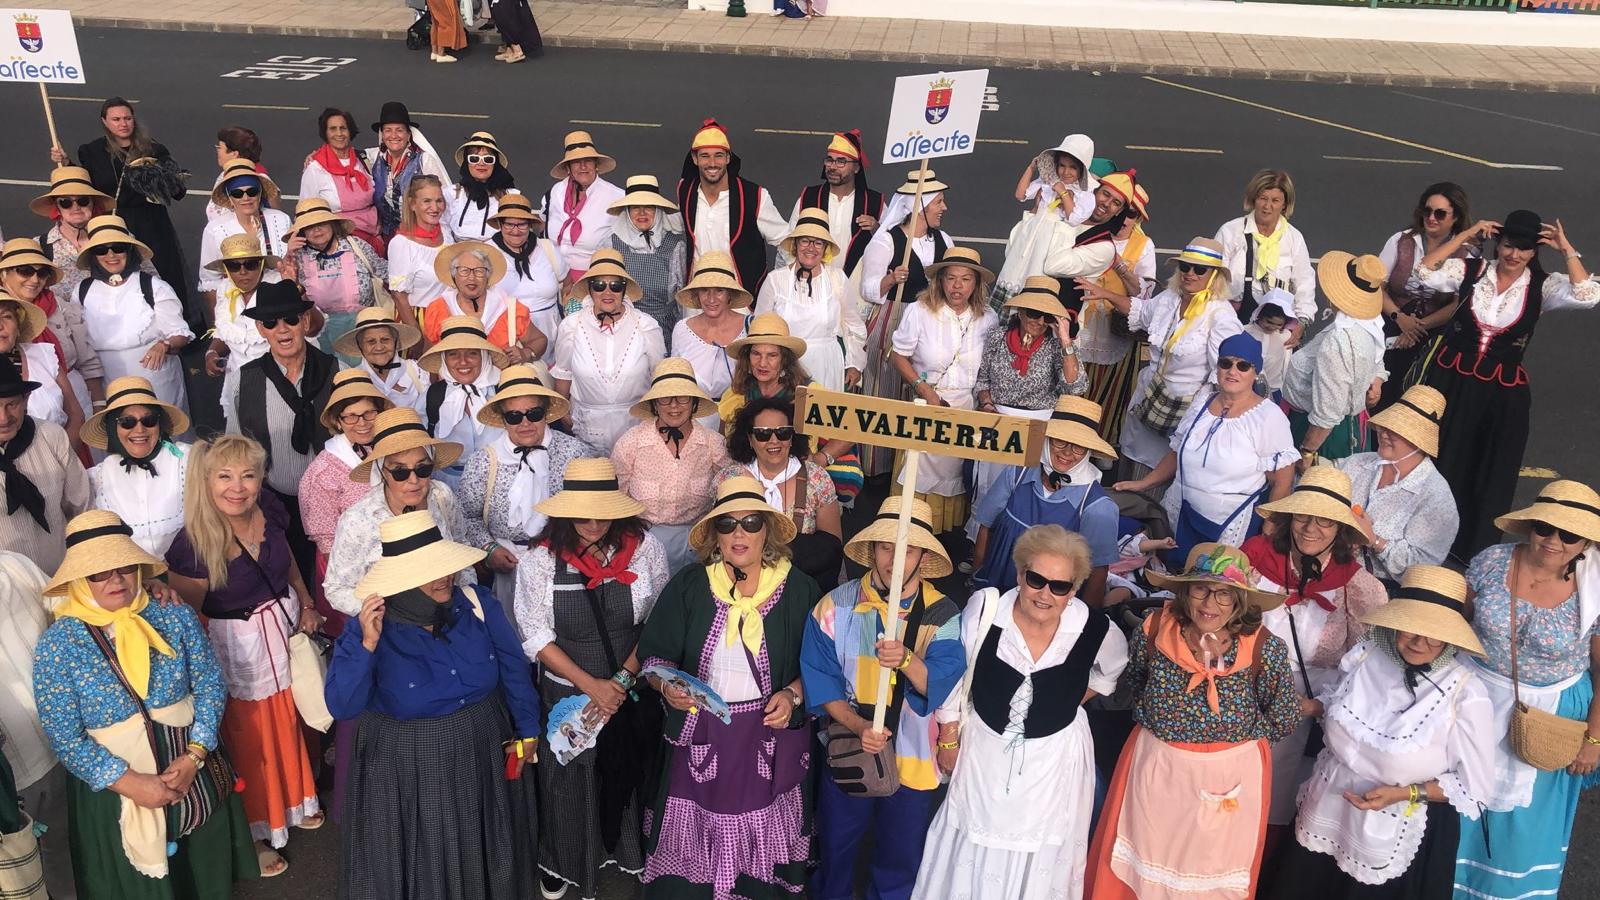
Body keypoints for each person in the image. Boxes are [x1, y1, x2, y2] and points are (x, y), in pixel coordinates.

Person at [31, 510, 258, 897]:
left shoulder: (172, 613)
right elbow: (65, 738)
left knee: (204, 878)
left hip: (191, 774)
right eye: (99, 572)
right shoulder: (58, 645)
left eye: (124, 566)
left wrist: (194, 756)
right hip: (117, 795)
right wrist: (130, 783)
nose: (115, 579)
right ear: (79, 581)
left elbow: (209, 684)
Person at [324, 510, 543, 898]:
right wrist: (367, 646)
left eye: (443, 566)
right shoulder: (369, 627)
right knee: (423, 858)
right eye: (428, 571)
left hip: (483, 748)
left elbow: (513, 668)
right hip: (407, 763)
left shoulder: (477, 603)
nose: (443, 577)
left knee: (484, 849)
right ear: (401, 579)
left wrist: (528, 732)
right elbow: (343, 706)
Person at [915, 525, 1126, 900]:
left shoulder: (1096, 628)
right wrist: (948, 736)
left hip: (1055, 760)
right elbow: (957, 674)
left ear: (1074, 589)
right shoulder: (986, 608)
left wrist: (1059, 699)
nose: (1045, 593)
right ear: (1019, 573)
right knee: (973, 835)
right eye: (1036, 579)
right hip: (984, 752)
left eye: (1059, 586)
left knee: (1042, 848)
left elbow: (1110, 670)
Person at [636, 476, 822, 897]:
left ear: (768, 531)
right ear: (715, 535)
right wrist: (667, 688)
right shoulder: (690, 585)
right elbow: (655, 658)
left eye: (752, 522)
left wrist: (792, 694)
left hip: (764, 735)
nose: (739, 533)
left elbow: (821, 665)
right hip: (702, 730)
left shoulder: (799, 590)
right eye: (728, 524)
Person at [1264, 565, 1494, 900]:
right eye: (1409, 628)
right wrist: (1308, 706)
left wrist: (1404, 793)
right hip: (1327, 806)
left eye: (1433, 632)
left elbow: (1476, 788)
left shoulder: (1466, 694)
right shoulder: (1369, 654)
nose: (1418, 641)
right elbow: (1340, 704)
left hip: (1393, 821)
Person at [1085, 543, 1299, 899]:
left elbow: (1283, 717)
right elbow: (1136, 683)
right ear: (1184, 592)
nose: (1208, 603)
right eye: (1200, 588)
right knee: (1140, 856)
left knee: (1209, 868)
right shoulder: (1154, 631)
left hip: (1227, 779)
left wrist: (1226, 746)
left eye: (1224, 594)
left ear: (1240, 602)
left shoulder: (1265, 649)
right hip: (1156, 768)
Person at [162, 435, 323, 877]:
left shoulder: (268, 509)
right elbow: (188, 617)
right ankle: (254, 831)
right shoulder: (192, 543)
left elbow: (287, 561)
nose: (238, 487)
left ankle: (294, 799)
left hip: (281, 629)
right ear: (207, 481)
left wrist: (307, 602)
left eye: (248, 475)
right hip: (233, 646)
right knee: (248, 736)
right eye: (225, 476)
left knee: (288, 719)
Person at [512, 459, 671, 900]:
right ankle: (562, 859)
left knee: (629, 766)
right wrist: (593, 686)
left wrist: (619, 681)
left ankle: (629, 850)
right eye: (583, 515)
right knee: (569, 777)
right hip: (568, 691)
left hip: (628, 687)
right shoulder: (540, 560)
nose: (595, 524)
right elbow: (537, 637)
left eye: (605, 513)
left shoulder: (646, 550)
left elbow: (656, 623)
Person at [804, 496, 963, 900]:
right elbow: (820, 682)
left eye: (907, 549)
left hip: (915, 752)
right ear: (872, 549)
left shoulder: (943, 613)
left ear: (923, 555)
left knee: (900, 857)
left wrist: (907, 659)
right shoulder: (833, 606)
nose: (895, 559)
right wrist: (858, 726)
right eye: (886, 546)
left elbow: (940, 682)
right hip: (849, 744)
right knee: (836, 849)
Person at [1414, 210, 1597, 560]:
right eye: (1509, 246)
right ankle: (1425, 539)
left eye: (1524, 249)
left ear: (1534, 252)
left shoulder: (1544, 285)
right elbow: (1426, 270)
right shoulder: (1472, 271)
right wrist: (1466, 233)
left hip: (1502, 392)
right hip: (1452, 382)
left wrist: (1566, 247)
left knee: (1489, 465)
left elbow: (1588, 294)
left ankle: (1470, 549)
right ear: (1498, 242)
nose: (1514, 255)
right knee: (1443, 456)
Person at [1451, 481, 1600, 900]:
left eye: (1568, 535)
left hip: (1551, 716)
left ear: (1585, 542)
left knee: (1521, 827)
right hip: (1474, 700)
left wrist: (1594, 737)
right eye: (1543, 528)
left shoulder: (1597, 590)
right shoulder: (1490, 562)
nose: (1553, 541)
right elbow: (1456, 627)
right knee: (1460, 805)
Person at [1244, 465, 1390, 833]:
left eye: (1324, 521)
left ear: (1340, 530)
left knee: (1274, 795)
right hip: (1241, 685)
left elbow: (1369, 666)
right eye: (1303, 517)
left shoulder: (1360, 587)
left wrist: (1321, 705)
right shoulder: (1253, 557)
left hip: (1306, 704)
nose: (1311, 528)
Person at [1115, 333, 1296, 564]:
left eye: (1243, 366)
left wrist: (1269, 530)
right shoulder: (1203, 401)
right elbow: (1176, 452)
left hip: (1228, 522)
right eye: (1226, 363)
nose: (1233, 371)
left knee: (1211, 588)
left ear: (1255, 372)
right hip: (1180, 514)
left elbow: (1282, 481)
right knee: (1170, 579)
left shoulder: (1268, 417)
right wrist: (1144, 483)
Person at [51, 98, 197, 334]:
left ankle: (170, 327)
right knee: (113, 270)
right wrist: (66, 163)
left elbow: (177, 190)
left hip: (150, 222)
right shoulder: (91, 151)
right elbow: (87, 185)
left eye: (127, 118)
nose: (123, 124)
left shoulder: (154, 150)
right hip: (112, 223)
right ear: (105, 122)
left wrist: (155, 177)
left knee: (162, 271)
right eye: (116, 119)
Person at [1115, 237, 1243, 484]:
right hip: (1147, 403)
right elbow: (1141, 312)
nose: (1190, 274)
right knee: (1131, 467)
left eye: (1199, 269)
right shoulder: (1169, 299)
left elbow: (1225, 376)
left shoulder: (1220, 316)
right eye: (1185, 267)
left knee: (1161, 479)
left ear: (1214, 275)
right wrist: (1103, 293)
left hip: (1181, 413)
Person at [459, 365, 592, 602]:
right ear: (502, 418)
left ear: (546, 412)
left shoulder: (574, 453)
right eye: (514, 416)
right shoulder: (483, 461)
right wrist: (490, 550)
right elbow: (468, 517)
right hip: (508, 565)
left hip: (566, 562)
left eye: (534, 414)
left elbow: (591, 510)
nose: (525, 423)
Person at [890, 246, 998, 533]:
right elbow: (897, 355)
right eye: (950, 278)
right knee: (920, 468)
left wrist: (986, 401)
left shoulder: (988, 318)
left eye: (965, 279)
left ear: (976, 284)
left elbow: (989, 367)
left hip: (966, 405)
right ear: (940, 281)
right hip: (928, 402)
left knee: (955, 471)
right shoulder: (919, 311)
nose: (957, 286)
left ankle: (943, 532)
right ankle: (913, 529)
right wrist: (925, 391)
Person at [233, 281, 336, 581]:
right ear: (260, 329)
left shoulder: (334, 369)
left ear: (304, 322)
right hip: (274, 502)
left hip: (332, 503)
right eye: (270, 322)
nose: (282, 330)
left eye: (291, 319)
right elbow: (237, 450)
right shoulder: (244, 378)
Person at [972, 395, 1120, 603]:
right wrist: (977, 582)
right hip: (996, 592)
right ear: (1047, 439)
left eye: (1078, 446)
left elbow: (1098, 571)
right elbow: (986, 526)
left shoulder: (1097, 507)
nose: (1067, 452)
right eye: (1060, 441)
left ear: (1088, 452)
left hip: (1049, 607)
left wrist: (1085, 622)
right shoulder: (1017, 473)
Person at [970, 275, 1087, 512]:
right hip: (1000, 423)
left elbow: (1075, 388)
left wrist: (1065, 339)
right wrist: (987, 404)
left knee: (1026, 492)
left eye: (1047, 316)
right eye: (1033, 313)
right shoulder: (996, 337)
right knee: (992, 490)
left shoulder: (1056, 347)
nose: (1039, 321)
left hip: (1039, 427)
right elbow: (982, 381)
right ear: (1021, 312)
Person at [0, 550, 73, 900]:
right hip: (6, 775)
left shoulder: (16, 565)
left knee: (63, 855)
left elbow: (76, 610)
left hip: (60, 749)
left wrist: (143, 588)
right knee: (18, 878)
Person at [612, 357, 731, 572]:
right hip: (643, 541)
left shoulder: (713, 444)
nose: (674, 405)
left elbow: (728, 491)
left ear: (694, 402)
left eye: (682, 398)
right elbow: (616, 499)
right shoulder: (631, 443)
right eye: (665, 398)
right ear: (654, 404)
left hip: (697, 542)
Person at [1335, 384, 1457, 587]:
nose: (1384, 434)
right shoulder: (1357, 463)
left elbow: (1420, 570)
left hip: (1384, 593)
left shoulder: (1436, 498)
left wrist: (1373, 540)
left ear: (1419, 441)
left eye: (1396, 431)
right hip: (1330, 573)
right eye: (1385, 426)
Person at [296, 369, 392, 626]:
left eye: (369, 413)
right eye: (351, 416)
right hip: (351, 570)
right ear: (338, 422)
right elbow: (327, 543)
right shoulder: (323, 472)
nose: (362, 423)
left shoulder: (392, 450)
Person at [719, 394, 843, 591]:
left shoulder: (817, 478)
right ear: (750, 439)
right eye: (763, 434)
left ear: (792, 437)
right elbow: (717, 538)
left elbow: (832, 548)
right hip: (739, 588)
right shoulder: (728, 479)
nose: (774, 440)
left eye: (783, 433)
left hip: (799, 591)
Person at [860, 168, 952, 429]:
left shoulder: (944, 240)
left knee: (921, 384)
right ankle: (879, 461)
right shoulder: (886, 242)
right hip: (894, 318)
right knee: (885, 387)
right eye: (938, 202)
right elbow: (867, 289)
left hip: (931, 318)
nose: (943, 207)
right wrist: (890, 280)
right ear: (920, 205)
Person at [1070, 169, 1155, 447]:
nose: (1124, 217)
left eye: (1130, 213)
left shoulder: (1143, 246)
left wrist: (1116, 262)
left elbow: (1142, 296)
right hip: (1078, 327)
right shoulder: (1087, 226)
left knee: (1105, 399)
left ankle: (1096, 451)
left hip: (1112, 335)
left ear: (1137, 218)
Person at [75, 215, 193, 415]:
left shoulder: (153, 286)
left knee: (161, 431)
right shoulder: (82, 291)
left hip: (154, 379)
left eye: (118, 248)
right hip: (105, 380)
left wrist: (164, 345)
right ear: (94, 255)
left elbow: (180, 333)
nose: (111, 255)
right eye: (102, 249)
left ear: (129, 251)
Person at [551, 249, 667, 451]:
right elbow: (563, 374)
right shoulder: (571, 326)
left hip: (637, 427)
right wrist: (564, 416)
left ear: (624, 290)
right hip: (586, 428)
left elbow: (659, 377)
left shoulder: (647, 326)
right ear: (589, 289)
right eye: (599, 285)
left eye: (615, 285)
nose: (607, 292)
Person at [1375, 182, 1474, 412]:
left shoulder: (1465, 252)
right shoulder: (1401, 240)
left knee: (1418, 397)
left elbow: (1458, 303)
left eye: (1440, 213)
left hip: (1434, 329)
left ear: (1456, 217)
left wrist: (1418, 326)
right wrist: (1400, 318)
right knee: (1383, 390)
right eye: (1427, 211)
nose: (1431, 218)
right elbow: (1376, 286)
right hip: (1393, 318)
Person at [1283, 252, 1390, 463]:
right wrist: (1377, 380)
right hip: (1344, 428)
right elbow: (1377, 360)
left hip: (1322, 437)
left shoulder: (1339, 342)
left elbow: (1327, 413)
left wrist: (1307, 452)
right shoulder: (1369, 325)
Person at [756, 207, 866, 393]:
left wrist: (854, 364)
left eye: (818, 243)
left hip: (827, 364)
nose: (811, 248)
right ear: (795, 244)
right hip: (785, 367)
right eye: (805, 241)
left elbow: (853, 324)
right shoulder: (776, 280)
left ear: (825, 249)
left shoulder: (837, 279)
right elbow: (760, 329)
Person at [674, 118, 789, 293]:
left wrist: (780, 288)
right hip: (697, 298)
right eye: (705, 156)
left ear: (728, 158)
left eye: (718, 155)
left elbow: (786, 241)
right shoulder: (685, 191)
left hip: (741, 301)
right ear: (694, 159)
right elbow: (673, 224)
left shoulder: (755, 196)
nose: (712, 163)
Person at [0, 355, 90, 574]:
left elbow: (82, 508)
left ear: (26, 399)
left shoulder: (51, 436)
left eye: (11, 404)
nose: (3, 418)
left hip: (63, 578)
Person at [84, 376, 192, 557]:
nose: (140, 430)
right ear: (112, 427)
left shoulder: (188, 460)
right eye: (127, 422)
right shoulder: (97, 477)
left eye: (148, 420)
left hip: (190, 574)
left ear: (160, 424)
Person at [1, 237, 99, 428]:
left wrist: (99, 403)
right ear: (4, 274)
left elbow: (87, 359)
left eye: (42, 273)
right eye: (25, 271)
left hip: (71, 397)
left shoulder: (60, 306)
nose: (34, 279)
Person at [283, 198, 386, 359]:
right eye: (309, 227)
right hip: (319, 336)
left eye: (321, 223)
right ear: (302, 232)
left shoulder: (356, 245)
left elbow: (386, 274)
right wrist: (289, 262)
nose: (316, 230)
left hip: (364, 331)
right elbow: (289, 301)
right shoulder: (297, 257)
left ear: (332, 224)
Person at [1214, 168, 1317, 330]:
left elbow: (1305, 283)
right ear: (1254, 199)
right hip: (1233, 321)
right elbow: (1214, 280)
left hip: (1277, 326)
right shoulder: (1231, 232)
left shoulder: (1294, 238)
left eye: (1275, 201)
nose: (1267, 206)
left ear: (1284, 205)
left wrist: (1302, 321)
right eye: (1263, 198)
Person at [417, 315, 508, 490]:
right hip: (448, 485)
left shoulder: (503, 391)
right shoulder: (432, 396)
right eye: (453, 354)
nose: (463, 361)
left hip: (500, 481)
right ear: (444, 359)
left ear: (484, 356)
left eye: (472, 353)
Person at [419, 240, 543, 364]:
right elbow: (430, 356)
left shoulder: (509, 309)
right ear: (454, 276)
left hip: (501, 380)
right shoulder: (438, 309)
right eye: (464, 271)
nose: (472, 277)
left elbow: (539, 340)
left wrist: (525, 353)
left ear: (488, 276)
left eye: (479, 271)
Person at [204, 234, 283, 426]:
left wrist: (297, 288)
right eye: (234, 266)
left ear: (262, 264)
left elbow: (313, 327)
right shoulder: (225, 289)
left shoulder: (279, 284)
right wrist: (212, 352)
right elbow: (224, 330)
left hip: (277, 382)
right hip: (237, 382)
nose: (243, 272)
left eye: (250, 264)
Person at [787, 130, 882, 277]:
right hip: (811, 283)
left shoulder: (874, 202)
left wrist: (876, 228)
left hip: (855, 289)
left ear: (856, 168)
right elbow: (790, 242)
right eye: (830, 160)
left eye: (841, 161)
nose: (832, 166)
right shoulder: (808, 198)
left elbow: (889, 244)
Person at [198, 160, 291, 309]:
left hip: (280, 301)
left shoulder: (281, 220)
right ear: (230, 197)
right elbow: (209, 280)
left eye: (252, 191)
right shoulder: (214, 229)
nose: (245, 198)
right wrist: (217, 322)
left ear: (260, 194)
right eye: (237, 193)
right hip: (237, 306)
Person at [672, 252, 750, 430]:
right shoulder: (682, 330)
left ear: (730, 294)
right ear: (696, 294)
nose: (711, 298)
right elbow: (676, 384)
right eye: (705, 290)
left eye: (719, 290)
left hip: (738, 425)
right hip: (691, 428)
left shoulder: (750, 328)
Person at [607, 175, 688, 346]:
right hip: (622, 328)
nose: (642, 213)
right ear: (627, 211)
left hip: (663, 330)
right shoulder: (611, 244)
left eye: (648, 207)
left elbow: (681, 299)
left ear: (657, 210)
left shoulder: (674, 246)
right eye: (635, 207)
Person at [28, 164, 120, 305]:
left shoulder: (118, 237)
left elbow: (149, 282)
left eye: (83, 200)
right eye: (66, 202)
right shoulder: (39, 247)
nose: (76, 207)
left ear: (93, 204)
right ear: (56, 207)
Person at [0, 289, 83, 443]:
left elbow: (76, 415)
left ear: (18, 327)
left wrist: (61, 459)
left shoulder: (43, 355)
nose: (0, 326)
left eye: (6, 316)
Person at [542, 131, 625, 284]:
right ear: (568, 167)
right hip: (552, 276)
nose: (583, 166)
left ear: (596, 164)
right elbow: (543, 227)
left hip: (594, 281)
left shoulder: (616, 197)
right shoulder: (556, 192)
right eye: (576, 161)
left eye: (588, 160)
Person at [364, 101, 451, 244]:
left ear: (408, 134)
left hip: (418, 237)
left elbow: (444, 196)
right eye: (388, 130)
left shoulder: (424, 161)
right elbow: (344, 156)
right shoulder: (373, 158)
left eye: (399, 130)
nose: (394, 135)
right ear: (382, 134)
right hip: (386, 238)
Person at [490, 194, 566, 353]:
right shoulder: (487, 254)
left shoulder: (547, 249)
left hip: (552, 333)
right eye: (509, 224)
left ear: (530, 224)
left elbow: (568, 284)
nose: (515, 231)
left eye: (522, 224)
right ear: (500, 224)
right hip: (509, 338)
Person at [299, 107, 381, 252]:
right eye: (333, 129)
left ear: (350, 131)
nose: (339, 133)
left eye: (343, 128)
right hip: (340, 243)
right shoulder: (315, 168)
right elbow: (306, 211)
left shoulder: (364, 159)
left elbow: (393, 146)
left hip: (374, 236)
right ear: (325, 133)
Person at [384, 174, 449, 335]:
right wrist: (416, 335)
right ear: (413, 205)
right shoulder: (401, 244)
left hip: (449, 319)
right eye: (427, 201)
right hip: (420, 320)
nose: (434, 208)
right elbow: (399, 296)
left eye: (439, 201)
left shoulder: (447, 233)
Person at [337, 306, 429, 413]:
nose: (379, 347)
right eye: (371, 341)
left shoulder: (417, 372)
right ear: (360, 345)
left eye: (385, 339)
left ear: (396, 342)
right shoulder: (353, 381)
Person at [447, 131, 520, 242]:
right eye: (474, 159)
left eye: (488, 159)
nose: (481, 164)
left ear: (495, 164)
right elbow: (442, 226)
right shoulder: (452, 194)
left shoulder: (510, 196)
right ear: (467, 163)